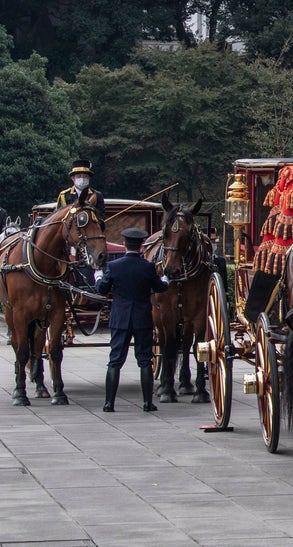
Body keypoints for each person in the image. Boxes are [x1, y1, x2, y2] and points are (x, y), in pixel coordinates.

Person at [96, 228, 169, 413]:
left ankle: (109, 403)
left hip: (120, 318)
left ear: (124, 245)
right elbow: (159, 287)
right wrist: (166, 280)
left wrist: (97, 277)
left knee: (115, 360)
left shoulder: (114, 266)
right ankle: (146, 403)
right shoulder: (148, 267)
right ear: (142, 246)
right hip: (142, 318)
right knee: (145, 360)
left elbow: (103, 289)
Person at [56, 159, 107, 226]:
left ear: (89, 178)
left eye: (85, 176)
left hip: (90, 229)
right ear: (73, 178)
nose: (82, 179)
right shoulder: (64, 195)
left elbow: (101, 216)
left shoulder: (97, 195)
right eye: (79, 176)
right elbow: (59, 216)